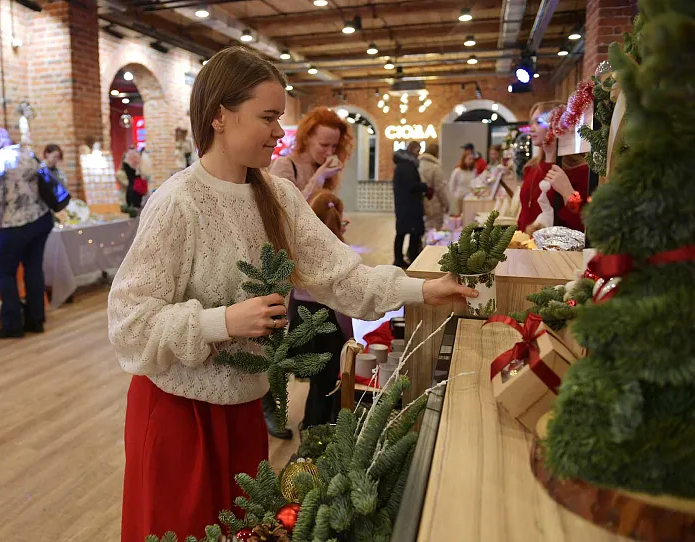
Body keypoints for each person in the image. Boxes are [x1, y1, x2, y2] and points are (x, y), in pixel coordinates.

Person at [107, 46, 478, 541]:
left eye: (279, 118)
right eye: (267, 117)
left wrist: (424, 288)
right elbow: (129, 322)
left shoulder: (278, 197)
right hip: (180, 416)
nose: (279, 132)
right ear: (219, 116)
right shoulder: (177, 202)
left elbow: (340, 277)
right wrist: (223, 322)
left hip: (243, 410)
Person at [290, 189, 353, 429]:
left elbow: (291, 296)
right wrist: (349, 337)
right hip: (327, 325)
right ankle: (315, 432)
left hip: (301, 320)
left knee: (316, 383)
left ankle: (309, 425)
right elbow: (342, 306)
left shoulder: (298, 248)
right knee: (325, 386)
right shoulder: (339, 253)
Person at [0, 127, 53, 339]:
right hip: (41, 219)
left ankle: (12, 324)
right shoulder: (29, 155)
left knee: (4, 272)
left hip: (14, 224)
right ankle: (36, 319)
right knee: (33, 269)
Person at [517, 101, 589, 234]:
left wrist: (568, 193)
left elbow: (583, 219)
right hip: (526, 243)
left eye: (539, 122)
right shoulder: (531, 168)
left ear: (557, 126)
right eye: (531, 123)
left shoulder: (579, 170)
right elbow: (524, 213)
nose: (531, 129)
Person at [268, 107, 351, 199]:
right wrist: (319, 177)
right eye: (324, 145)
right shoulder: (285, 165)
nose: (330, 152)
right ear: (306, 138)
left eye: (334, 146)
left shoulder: (322, 168)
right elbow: (285, 206)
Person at [392, 141, 427, 268]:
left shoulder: (402, 165)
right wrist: (424, 186)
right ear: (413, 150)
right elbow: (412, 185)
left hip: (403, 205)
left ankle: (399, 258)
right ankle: (412, 258)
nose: (419, 153)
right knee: (413, 232)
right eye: (418, 150)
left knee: (401, 232)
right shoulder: (408, 166)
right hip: (410, 206)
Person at [418, 142, 449, 231]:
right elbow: (439, 188)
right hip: (434, 203)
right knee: (434, 229)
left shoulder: (418, 164)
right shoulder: (435, 167)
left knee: (425, 228)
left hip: (421, 202)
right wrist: (446, 204)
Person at [449, 149, 476, 215]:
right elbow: (451, 184)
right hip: (459, 197)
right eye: (469, 159)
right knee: (458, 215)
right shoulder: (457, 171)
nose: (471, 161)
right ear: (464, 159)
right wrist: (455, 194)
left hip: (469, 198)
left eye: (472, 159)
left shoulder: (473, 171)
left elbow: (474, 184)